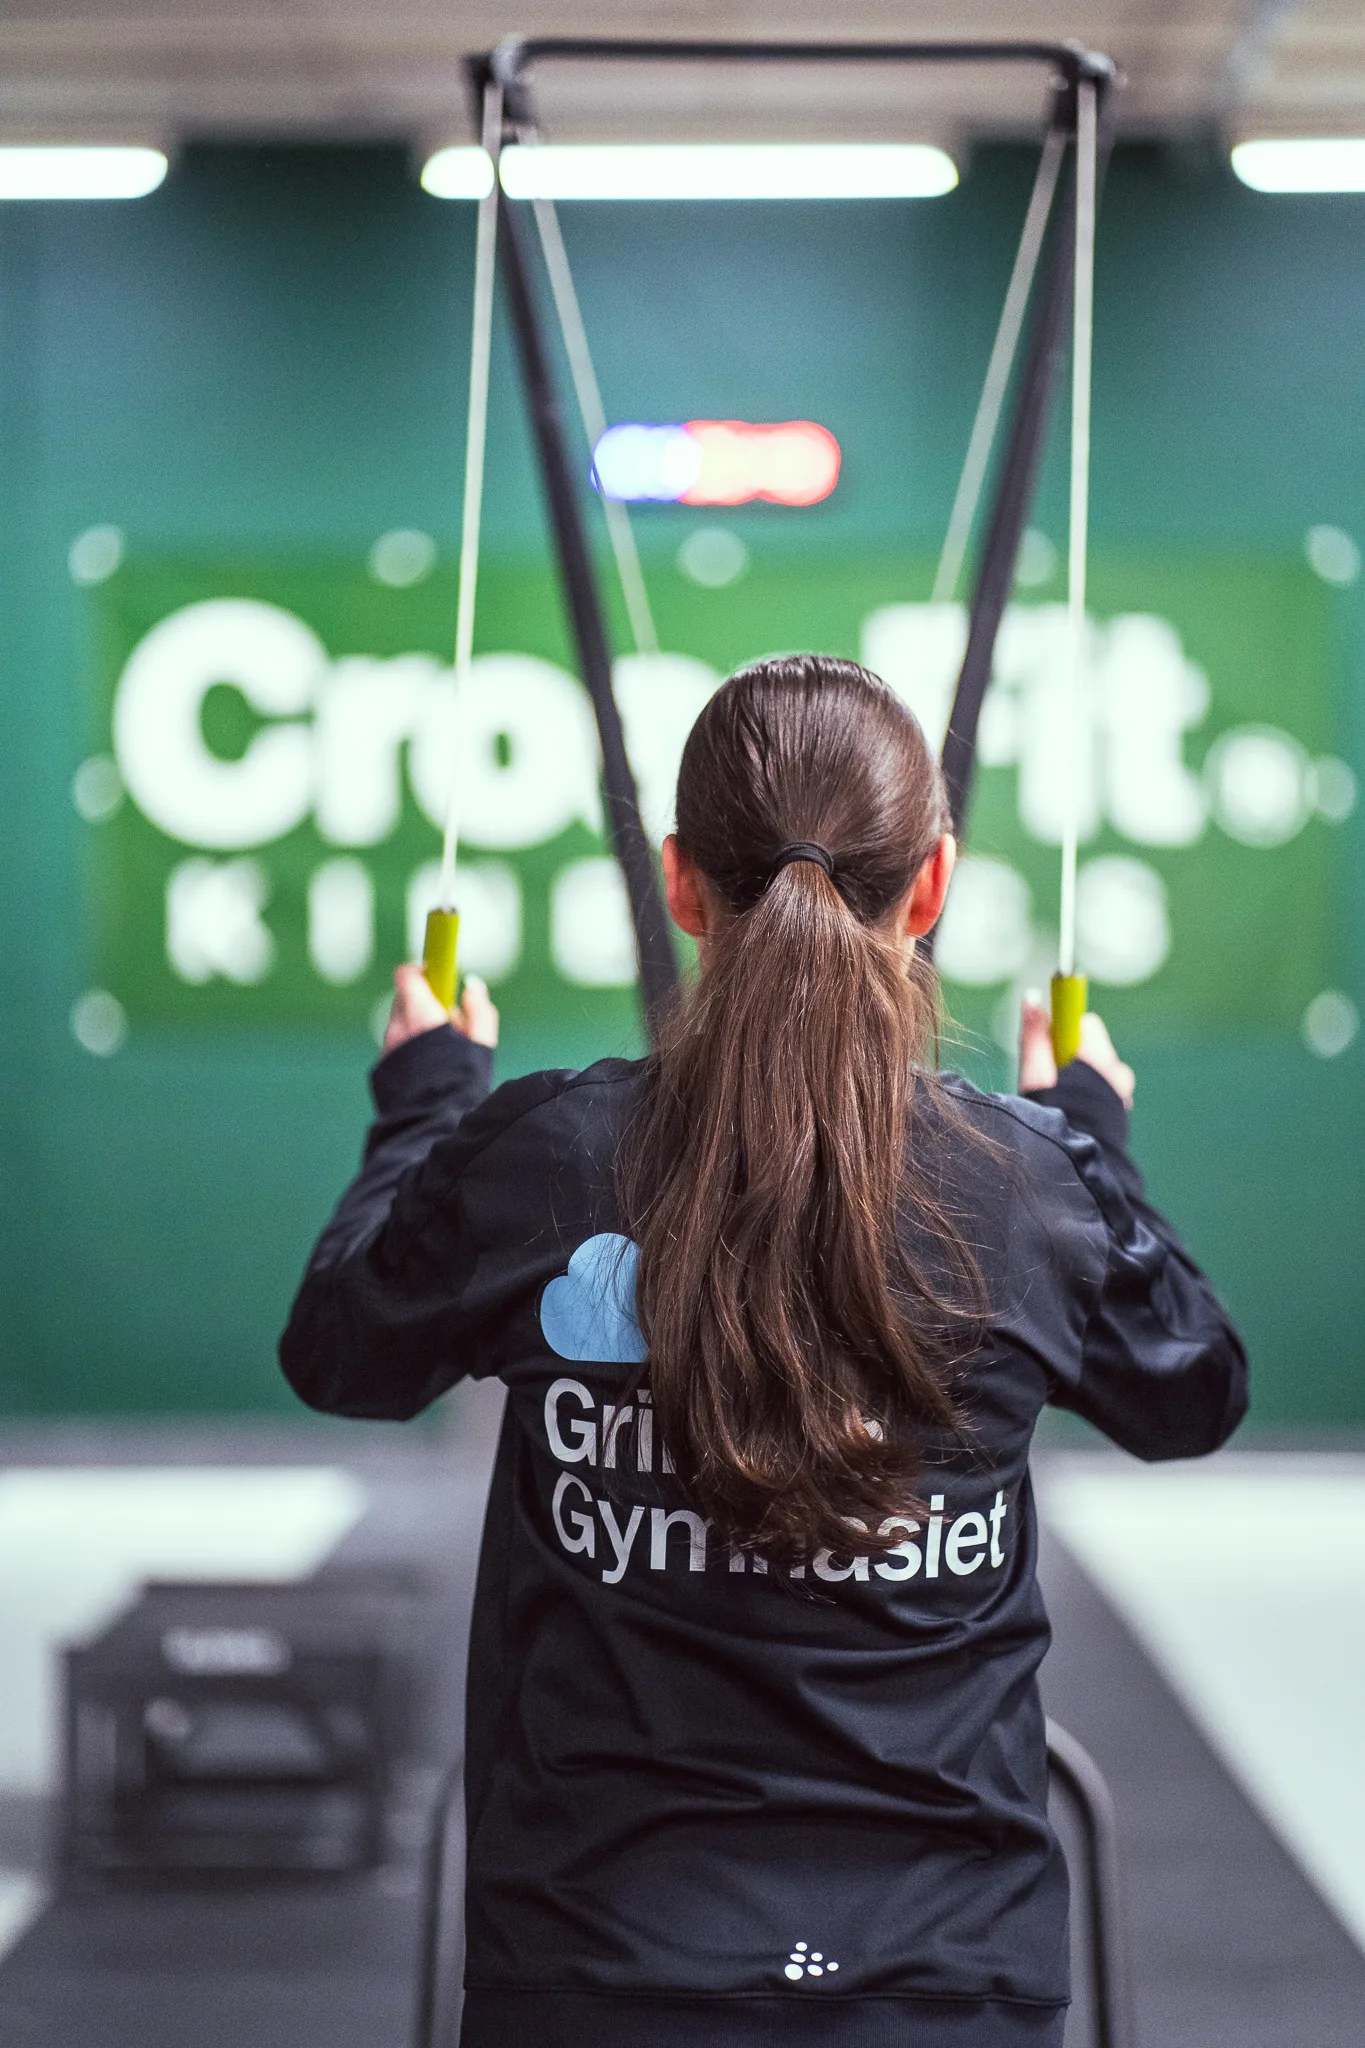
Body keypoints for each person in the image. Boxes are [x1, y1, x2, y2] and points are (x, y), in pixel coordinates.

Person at [281, 655, 1246, 2048]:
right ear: (930, 888)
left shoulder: (544, 1150)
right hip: (948, 1989)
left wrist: (424, 1111)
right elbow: (1193, 1394)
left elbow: (342, 1355)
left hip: (596, 1980)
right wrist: (1093, 1139)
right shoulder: (1038, 1181)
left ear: (682, 884)